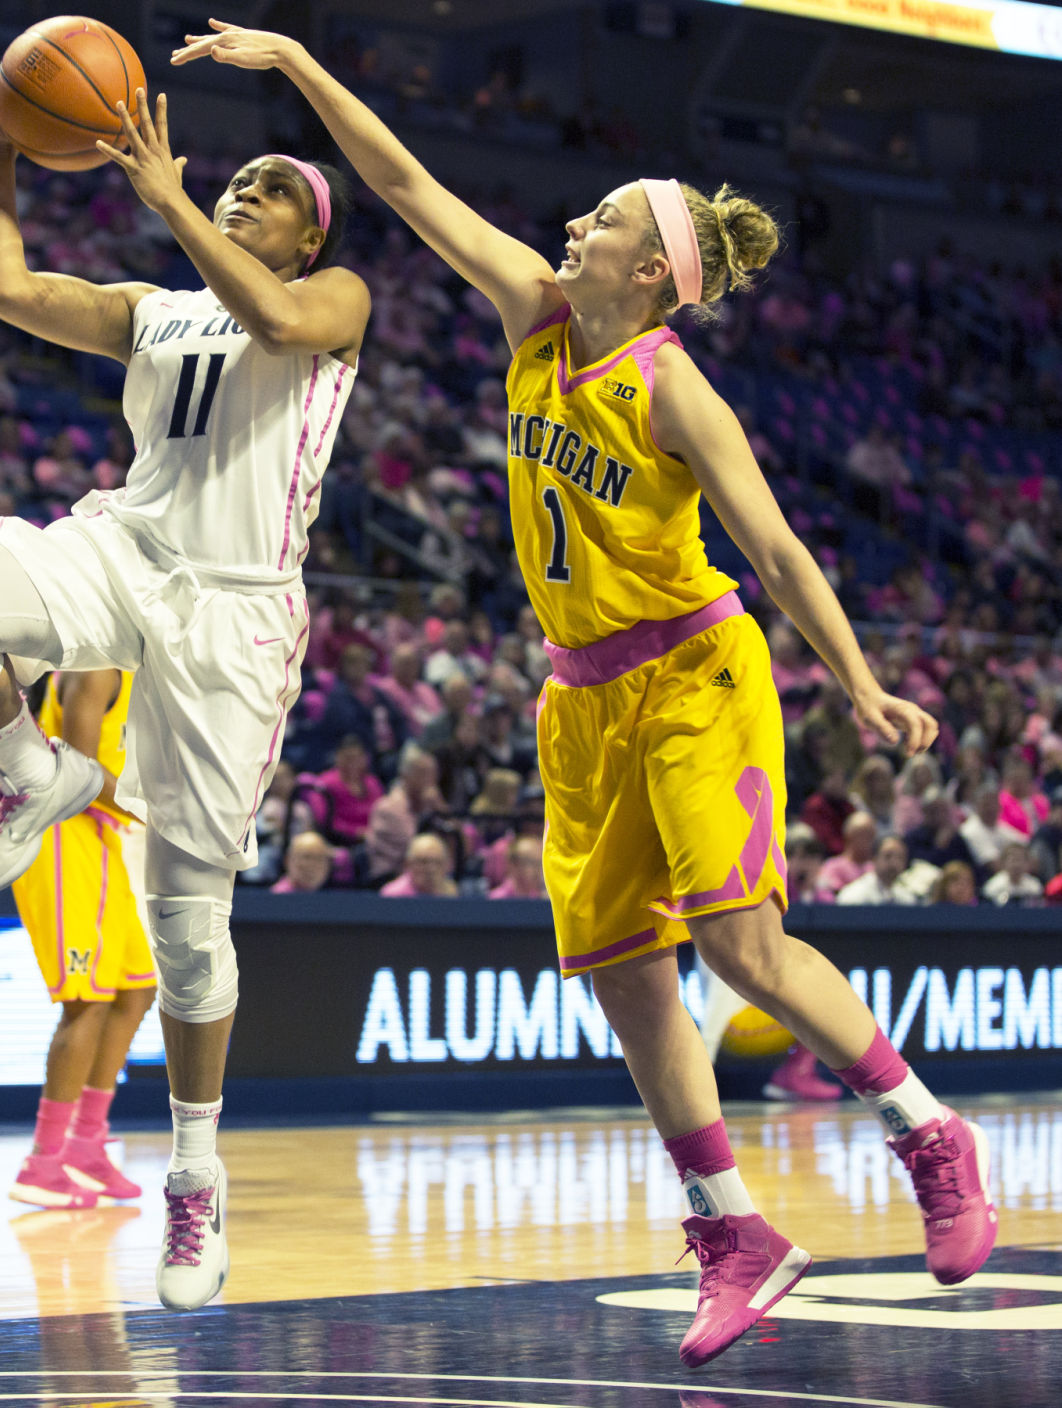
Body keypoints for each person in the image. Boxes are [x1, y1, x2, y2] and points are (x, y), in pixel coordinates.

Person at [177, 19, 996, 1364]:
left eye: (605, 217)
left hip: (693, 674)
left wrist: (855, 682)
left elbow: (779, 550)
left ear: (653, 276)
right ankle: (731, 1230)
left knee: (736, 947)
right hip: (579, 699)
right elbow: (400, 184)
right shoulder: (532, 316)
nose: (574, 220)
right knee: (620, 978)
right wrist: (295, 64)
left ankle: (927, 1132)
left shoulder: (673, 390)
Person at [0, 74, 369, 1312]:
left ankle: (194, 1171)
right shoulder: (158, 310)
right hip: (125, 549)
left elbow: (273, 319)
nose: (243, 194)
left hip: (239, 612)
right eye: (236, 180)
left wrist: (165, 195)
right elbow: (5, 287)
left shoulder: (334, 299)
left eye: (270, 191)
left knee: (190, 939)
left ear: (309, 234)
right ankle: (34, 769)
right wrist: (0, 143)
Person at [2, 670, 158, 1211]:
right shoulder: (97, 665)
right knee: (86, 1001)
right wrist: (166, 818)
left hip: (101, 835)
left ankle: (86, 1144)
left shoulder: (140, 669)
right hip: (62, 835)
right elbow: (82, 774)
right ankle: (43, 1163)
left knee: (137, 988)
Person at [835, 836, 917, 905]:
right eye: (888, 856)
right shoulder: (854, 895)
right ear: (874, 858)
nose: (894, 863)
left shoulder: (907, 899)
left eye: (900, 857)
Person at [379, 833, 458, 897]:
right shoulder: (392, 895)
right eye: (423, 862)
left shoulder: (451, 893)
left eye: (437, 862)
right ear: (408, 864)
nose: (431, 869)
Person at [981, 841, 1042, 907]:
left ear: (1027, 863)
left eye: (1019, 860)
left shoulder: (1035, 887)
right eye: (1012, 860)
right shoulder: (992, 887)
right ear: (1004, 863)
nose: (1016, 865)